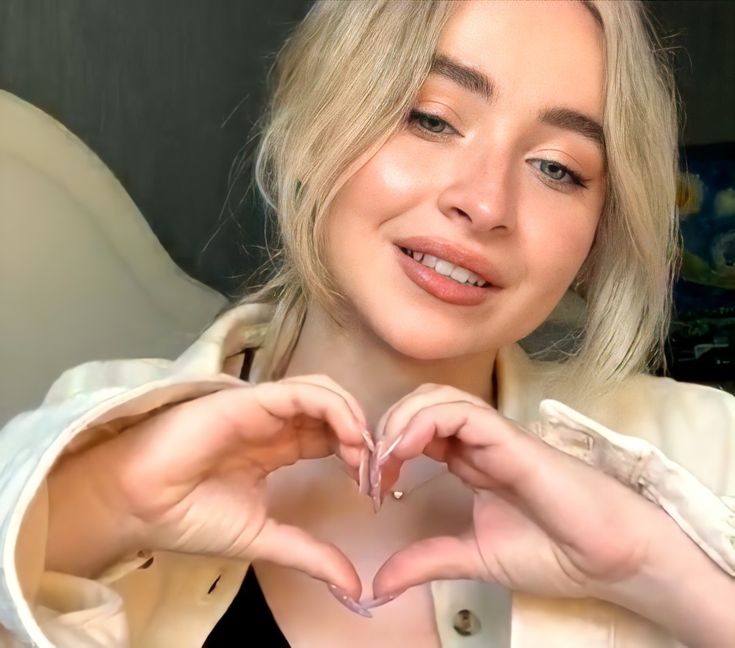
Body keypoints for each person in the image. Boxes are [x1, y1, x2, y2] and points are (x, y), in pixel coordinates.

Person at [1, 1, 734, 646]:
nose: (485, 204)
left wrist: (652, 568)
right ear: (310, 129)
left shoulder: (703, 450)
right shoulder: (91, 437)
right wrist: (102, 504)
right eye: (431, 118)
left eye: (556, 167)